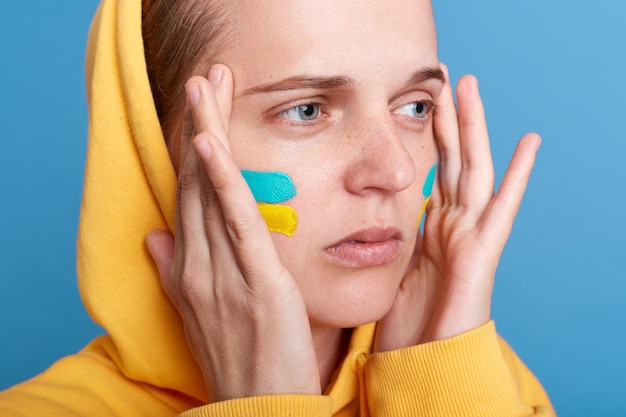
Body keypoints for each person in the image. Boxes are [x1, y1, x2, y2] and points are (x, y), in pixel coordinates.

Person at [0, 0, 555, 415]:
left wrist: (441, 390)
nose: (396, 173)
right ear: (151, 143)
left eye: (414, 105)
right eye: (307, 110)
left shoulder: (488, 385)